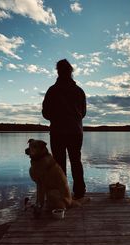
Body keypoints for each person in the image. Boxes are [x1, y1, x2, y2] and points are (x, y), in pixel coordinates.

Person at [42, 59, 86, 199]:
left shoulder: (52, 90)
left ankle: (62, 193)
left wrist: (56, 117)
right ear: (71, 72)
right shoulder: (79, 91)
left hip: (58, 132)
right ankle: (79, 193)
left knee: (59, 164)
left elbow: (46, 113)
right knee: (76, 161)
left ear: (58, 71)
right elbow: (83, 113)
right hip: (75, 131)